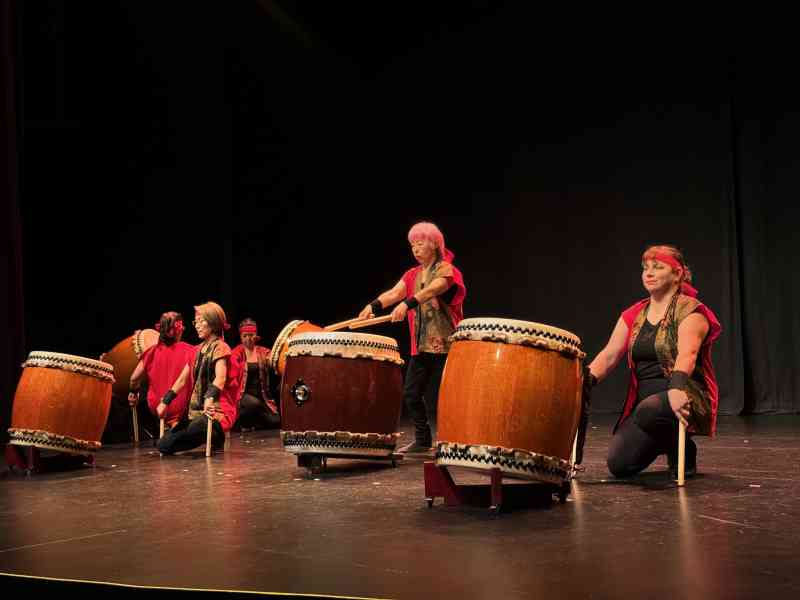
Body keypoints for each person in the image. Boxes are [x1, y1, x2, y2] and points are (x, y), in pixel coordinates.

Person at [585, 245, 721, 478]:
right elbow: (609, 355)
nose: (648, 273)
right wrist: (584, 382)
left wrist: (676, 387)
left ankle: (683, 449)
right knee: (620, 465)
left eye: (657, 267)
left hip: (683, 393)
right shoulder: (633, 314)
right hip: (644, 406)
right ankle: (667, 439)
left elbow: (687, 353)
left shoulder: (692, 311)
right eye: (645, 268)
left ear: (677, 274)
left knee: (651, 410)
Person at [358, 222, 466, 454]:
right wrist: (373, 305)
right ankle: (423, 439)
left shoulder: (447, 270)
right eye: (412, 245)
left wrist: (407, 304)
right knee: (411, 393)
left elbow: (432, 290)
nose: (415, 249)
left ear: (434, 244)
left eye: (420, 243)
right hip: (422, 346)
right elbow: (394, 293)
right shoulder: (411, 275)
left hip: (448, 345)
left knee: (450, 396)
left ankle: (456, 441)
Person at [156, 302, 241, 455]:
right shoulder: (196, 350)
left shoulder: (220, 347)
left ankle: (216, 435)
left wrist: (209, 398)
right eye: (196, 322)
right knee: (163, 445)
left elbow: (220, 378)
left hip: (215, 411)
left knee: (199, 425)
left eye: (202, 321)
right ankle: (210, 435)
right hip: (195, 414)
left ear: (213, 323)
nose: (197, 326)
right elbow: (182, 379)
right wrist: (165, 401)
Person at [128, 311, 195, 431]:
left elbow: (134, 378)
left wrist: (134, 392)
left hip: (156, 407)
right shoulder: (190, 351)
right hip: (179, 408)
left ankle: (167, 429)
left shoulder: (152, 352)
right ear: (178, 330)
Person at [231, 318, 279, 430]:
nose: (248, 339)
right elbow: (231, 368)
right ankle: (241, 422)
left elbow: (274, 357)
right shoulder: (237, 353)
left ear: (256, 335)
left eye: (251, 335)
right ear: (241, 337)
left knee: (276, 422)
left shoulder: (262, 352)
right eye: (245, 336)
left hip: (261, 398)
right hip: (243, 397)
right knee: (253, 404)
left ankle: (251, 424)